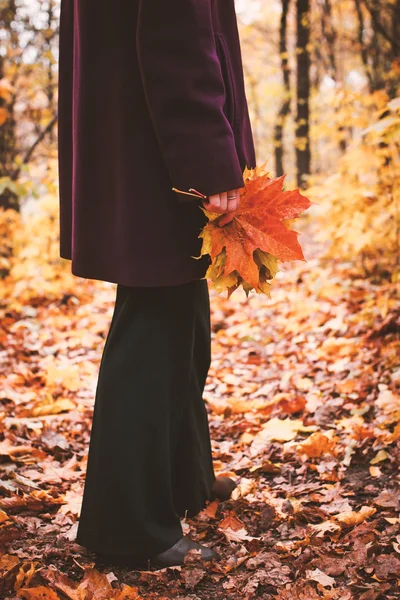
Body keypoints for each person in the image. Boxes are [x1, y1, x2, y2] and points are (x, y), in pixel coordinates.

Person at [57, 0, 256, 568]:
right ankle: (128, 528)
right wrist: (211, 162)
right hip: (161, 157)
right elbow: (178, 44)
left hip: (141, 145)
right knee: (153, 331)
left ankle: (182, 482)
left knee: (181, 320)